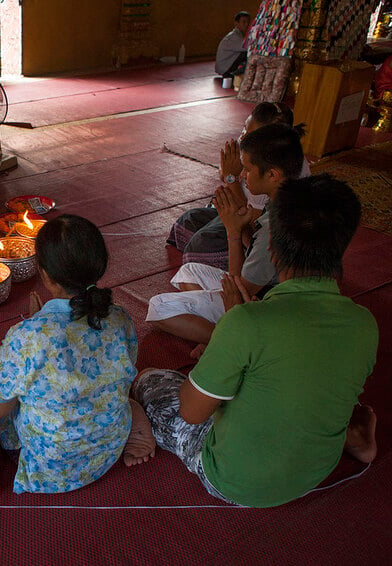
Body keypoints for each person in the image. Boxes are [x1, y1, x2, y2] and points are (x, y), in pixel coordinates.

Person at [134, 174, 378, 508]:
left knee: (150, 380)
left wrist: (228, 332)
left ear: (272, 251)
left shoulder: (247, 322)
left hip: (236, 481)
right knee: (311, 379)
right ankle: (353, 437)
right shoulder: (365, 323)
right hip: (317, 469)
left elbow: (191, 412)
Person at [0, 215, 156, 494]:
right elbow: (121, 367)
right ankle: (133, 423)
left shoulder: (29, 336)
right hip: (105, 450)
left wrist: (36, 326)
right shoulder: (120, 318)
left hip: (51, 465)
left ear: (46, 275)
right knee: (124, 397)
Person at [147, 123, 304, 347]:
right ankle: (217, 325)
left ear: (272, 174)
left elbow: (239, 292)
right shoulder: (287, 198)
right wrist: (237, 223)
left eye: (247, 170)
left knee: (159, 306)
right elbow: (253, 245)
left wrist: (233, 232)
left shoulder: (276, 225)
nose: (243, 175)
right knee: (188, 271)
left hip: (267, 304)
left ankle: (227, 339)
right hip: (265, 289)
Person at [168, 102, 309, 270]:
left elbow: (251, 223)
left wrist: (231, 179)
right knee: (186, 223)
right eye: (244, 129)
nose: (242, 137)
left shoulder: (274, 169)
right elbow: (229, 178)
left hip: (253, 227)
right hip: (241, 212)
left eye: (250, 134)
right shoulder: (261, 152)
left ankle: (242, 259)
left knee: (199, 246)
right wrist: (228, 176)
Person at [215, 11, 251, 78]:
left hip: (225, 67)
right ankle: (235, 74)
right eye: (244, 22)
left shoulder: (238, 35)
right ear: (236, 23)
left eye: (248, 22)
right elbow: (249, 47)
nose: (247, 24)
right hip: (225, 70)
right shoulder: (233, 37)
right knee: (252, 57)